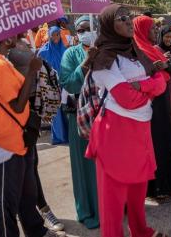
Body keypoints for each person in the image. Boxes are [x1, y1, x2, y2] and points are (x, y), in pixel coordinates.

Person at [83, 4, 168, 237]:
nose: (129, 21)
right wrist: (150, 87)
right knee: (113, 199)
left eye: (129, 17)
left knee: (138, 189)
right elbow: (126, 98)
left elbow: (162, 80)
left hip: (140, 130)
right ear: (110, 25)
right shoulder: (103, 57)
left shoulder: (134, 50)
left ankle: (141, 231)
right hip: (115, 134)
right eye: (122, 18)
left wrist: (142, 85)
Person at [0, 33, 62, 237]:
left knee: (27, 194)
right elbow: (18, 106)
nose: (14, 37)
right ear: (3, 39)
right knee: (5, 202)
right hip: (4, 142)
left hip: (18, 138)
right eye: (10, 35)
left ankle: (36, 230)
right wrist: (32, 72)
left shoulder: (2, 61)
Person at [8, 31, 65, 232]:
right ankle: (35, 210)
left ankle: (39, 209)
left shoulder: (24, 40)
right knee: (22, 167)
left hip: (32, 109)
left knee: (31, 163)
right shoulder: (5, 47)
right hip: (14, 112)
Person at [59, 15, 100, 230]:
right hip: (81, 118)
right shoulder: (70, 54)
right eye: (81, 29)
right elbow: (68, 84)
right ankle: (88, 211)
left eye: (89, 28)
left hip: (106, 117)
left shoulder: (106, 50)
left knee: (107, 164)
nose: (86, 32)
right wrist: (86, 62)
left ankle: (111, 205)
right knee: (84, 166)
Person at [133, 15, 171, 200]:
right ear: (142, 30)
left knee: (166, 141)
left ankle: (170, 185)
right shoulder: (136, 51)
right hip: (148, 103)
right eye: (151, 28)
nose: (155, 31)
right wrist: (157, 69)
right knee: (154, 145)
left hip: (162, 100)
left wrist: (165, 66)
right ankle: (156, 189)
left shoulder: (153, 49)